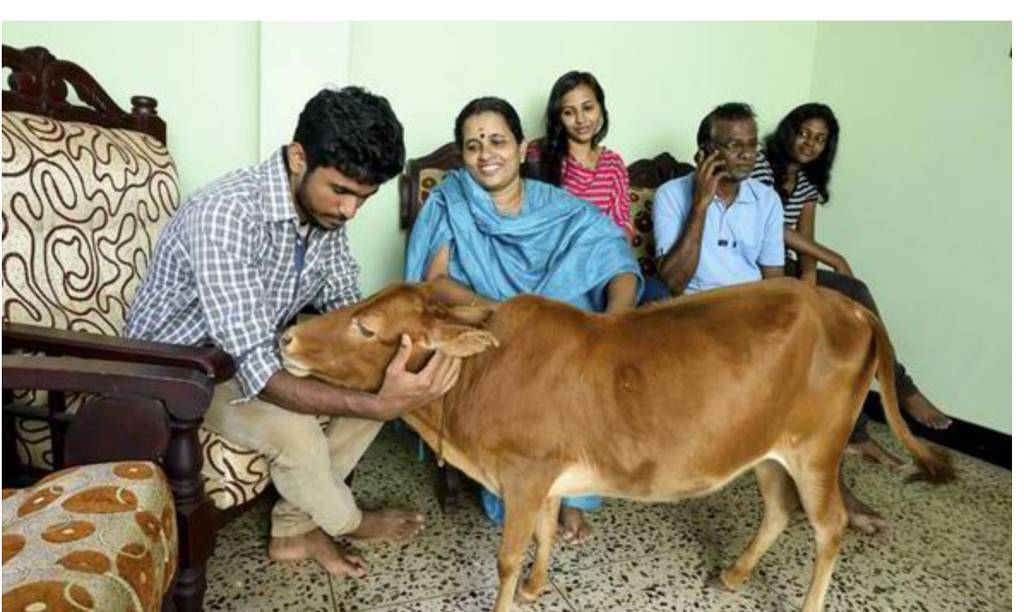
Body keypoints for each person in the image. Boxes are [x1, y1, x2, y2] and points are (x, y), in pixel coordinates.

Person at [125, 88, 463, 578]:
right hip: (177, 372)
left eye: (363, 198)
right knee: (300, 432)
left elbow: (346, 305)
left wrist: (388, 368)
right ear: (298, 157)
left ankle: (293, 531)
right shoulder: (226, 212)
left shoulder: (324, 216)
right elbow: (258, 372)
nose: (350, 211)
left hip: (241, 355)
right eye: (341, 191)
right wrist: (375, 405)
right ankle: (347, 520)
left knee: (379, 383)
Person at [405, 96, 643, 544]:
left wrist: (614, 327)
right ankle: (527, 492)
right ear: (463, 156)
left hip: (563, 339)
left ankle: (570, 494)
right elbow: (434, 282)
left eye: (497, 141)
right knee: (518, 376)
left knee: (574, 366)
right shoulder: (451, 201)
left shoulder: (558, 205)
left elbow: (619, 262)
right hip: (491, 332)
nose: (485, 154)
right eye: (473, 145)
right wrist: (505, 313)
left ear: (520, 148)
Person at [653, 102, 885, 534]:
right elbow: (675, 281)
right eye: (733, 145)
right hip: (697, 312)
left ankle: (825, 484)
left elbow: (774, 282)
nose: (746, 154)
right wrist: (701, 205)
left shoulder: (765, 200)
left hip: (752, 309)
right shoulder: (672, 196)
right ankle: (825, 487)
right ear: (705, 151)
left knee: (813, 370)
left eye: (751, 145)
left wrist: (786, 331)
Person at [752, 103, 951, 466]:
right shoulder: (760, 165)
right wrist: (835, 258)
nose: (810, 143)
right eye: (804, 133)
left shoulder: (808, 183)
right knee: (851, 291)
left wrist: (810, 281)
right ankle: (900, 387)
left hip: (787, 267)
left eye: (820, 139)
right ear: (788, 132)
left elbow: (805, 237)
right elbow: (767, 227)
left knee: (849, 314)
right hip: (752, 266)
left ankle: (855, 434)